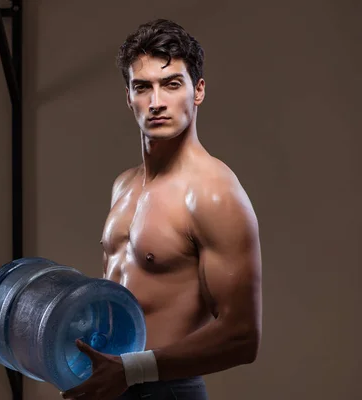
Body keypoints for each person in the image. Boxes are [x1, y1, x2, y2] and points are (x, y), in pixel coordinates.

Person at [61, 19, 263, 400]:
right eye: (142, 87)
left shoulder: (213, 194)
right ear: (129, 97)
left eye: (171, 84)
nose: (156, 102)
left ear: (197, 90)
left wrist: (131, 370)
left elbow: (242, 337)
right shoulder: (123, 185)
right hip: (107, 382)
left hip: (164, 389)